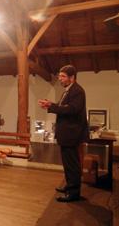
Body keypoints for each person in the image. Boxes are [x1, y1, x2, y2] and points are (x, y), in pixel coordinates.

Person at [38, 65, 89, 202]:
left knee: (72, 163)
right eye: (59, 76)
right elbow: (63, 108)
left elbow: (72, 109)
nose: (60, 79)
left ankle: (74, 193)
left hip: (72, 134)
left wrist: (51, 106)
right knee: (67, 163)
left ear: (72, 77)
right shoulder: (68, 91)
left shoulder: (77, 91)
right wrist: (50, 104)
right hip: (67, 134)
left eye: (63, 76)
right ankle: (69, 185)